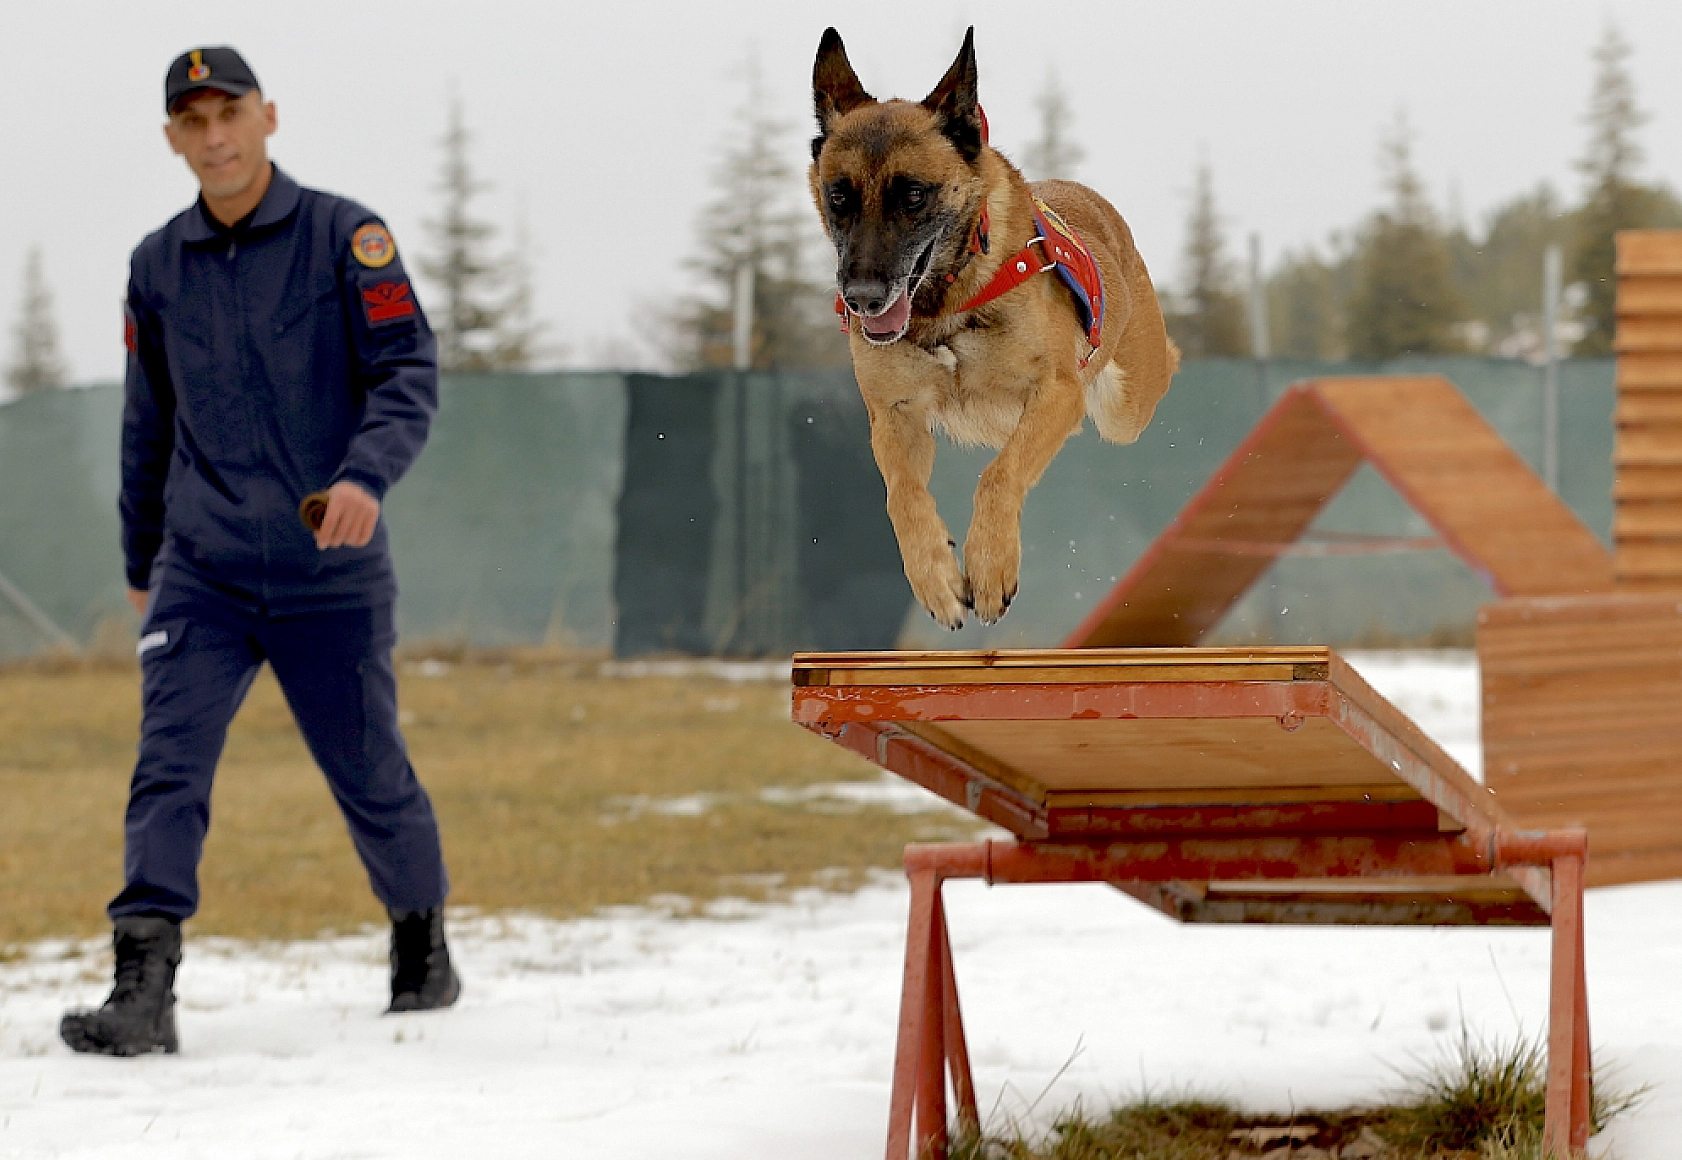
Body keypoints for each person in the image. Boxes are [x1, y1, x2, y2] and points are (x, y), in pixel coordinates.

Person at [60, 46, 460, 1057]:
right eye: (190, 122)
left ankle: (421, 940)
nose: (213, 136)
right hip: (205, 568)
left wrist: (366, 476)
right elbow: (147, 421)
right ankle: (142, 986)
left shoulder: (345, 237)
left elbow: (407, 370)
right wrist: (141, 555)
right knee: (168, 762)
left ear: (267, 117)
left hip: (331, 569)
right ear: (171, 139)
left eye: (227, 112)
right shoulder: (157, 266)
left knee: (370, 773)